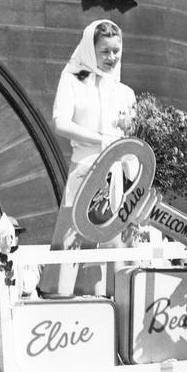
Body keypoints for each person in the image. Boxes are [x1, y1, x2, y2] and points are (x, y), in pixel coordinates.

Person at [39, 19, 136, 298]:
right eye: (105, 51)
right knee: (72, 238)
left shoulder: (124, 92)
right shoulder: (72, 80)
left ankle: (117, 304)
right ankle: (63, 304)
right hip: (84, 171)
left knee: (115, 244)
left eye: (116, 51)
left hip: (118, 177)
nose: (112, 57)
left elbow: (132, 138)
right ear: (91, 50)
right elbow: (60, 123)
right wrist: (101, 139)